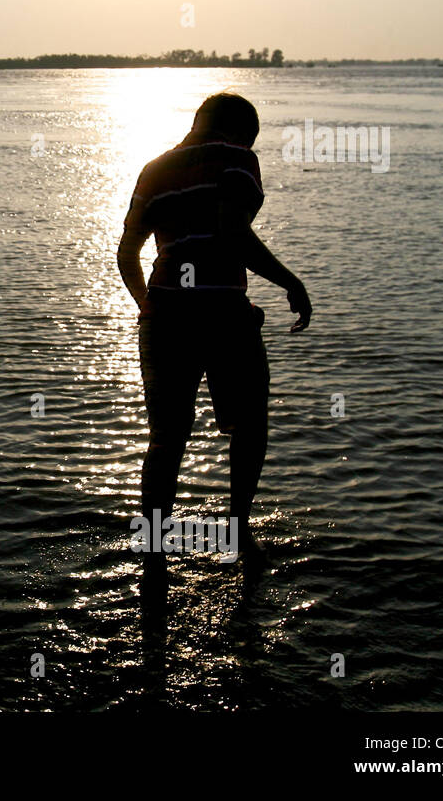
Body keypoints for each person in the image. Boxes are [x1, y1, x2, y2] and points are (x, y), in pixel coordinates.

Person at [116, 93, 311, 563]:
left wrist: (146, 303)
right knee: (249, 424)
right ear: (240, 131)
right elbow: (232, 232)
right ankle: (239, 533)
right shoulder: (237, 158)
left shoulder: (153, 169)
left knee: (166, 436)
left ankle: (155, 546)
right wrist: (290, 282)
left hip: (164, 319)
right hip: (223, 315)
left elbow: (128, 250)